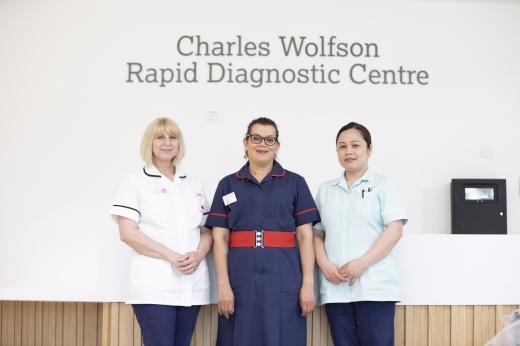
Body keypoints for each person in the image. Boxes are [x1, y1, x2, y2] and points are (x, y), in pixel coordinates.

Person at [205, 117, 320, 346]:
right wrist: (224, 286)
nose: (263, 144)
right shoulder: (227, 184)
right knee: (238, 336)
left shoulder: (295, 183)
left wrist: (308, 284)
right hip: (240, 278)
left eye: (270, 139)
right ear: (245, 142)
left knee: (285, 336)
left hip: (285, 277)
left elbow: (306, 236)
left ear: (277, 146)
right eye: (256, 138)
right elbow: (219, 237)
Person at [110, 117, 212, 346]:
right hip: (154, 285)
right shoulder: (135, 181)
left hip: (192, 285)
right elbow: (128, 233)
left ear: (180, 143)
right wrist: (173, 257)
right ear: (150, 143)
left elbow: (206, 231)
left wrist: (197, 255)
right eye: (160, 137)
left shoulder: (193, 183)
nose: (167, 143)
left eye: (173, 137)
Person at [313, 122, 408, 346]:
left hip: (374, 288)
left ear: (369, 149)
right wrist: (325, 265)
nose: (349, 151)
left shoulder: (384, 185)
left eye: (355, 145)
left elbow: (395, 230)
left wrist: (362, 263)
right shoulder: (326, 190)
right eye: (342, 146)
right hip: (335, 289)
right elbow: (316, 234)